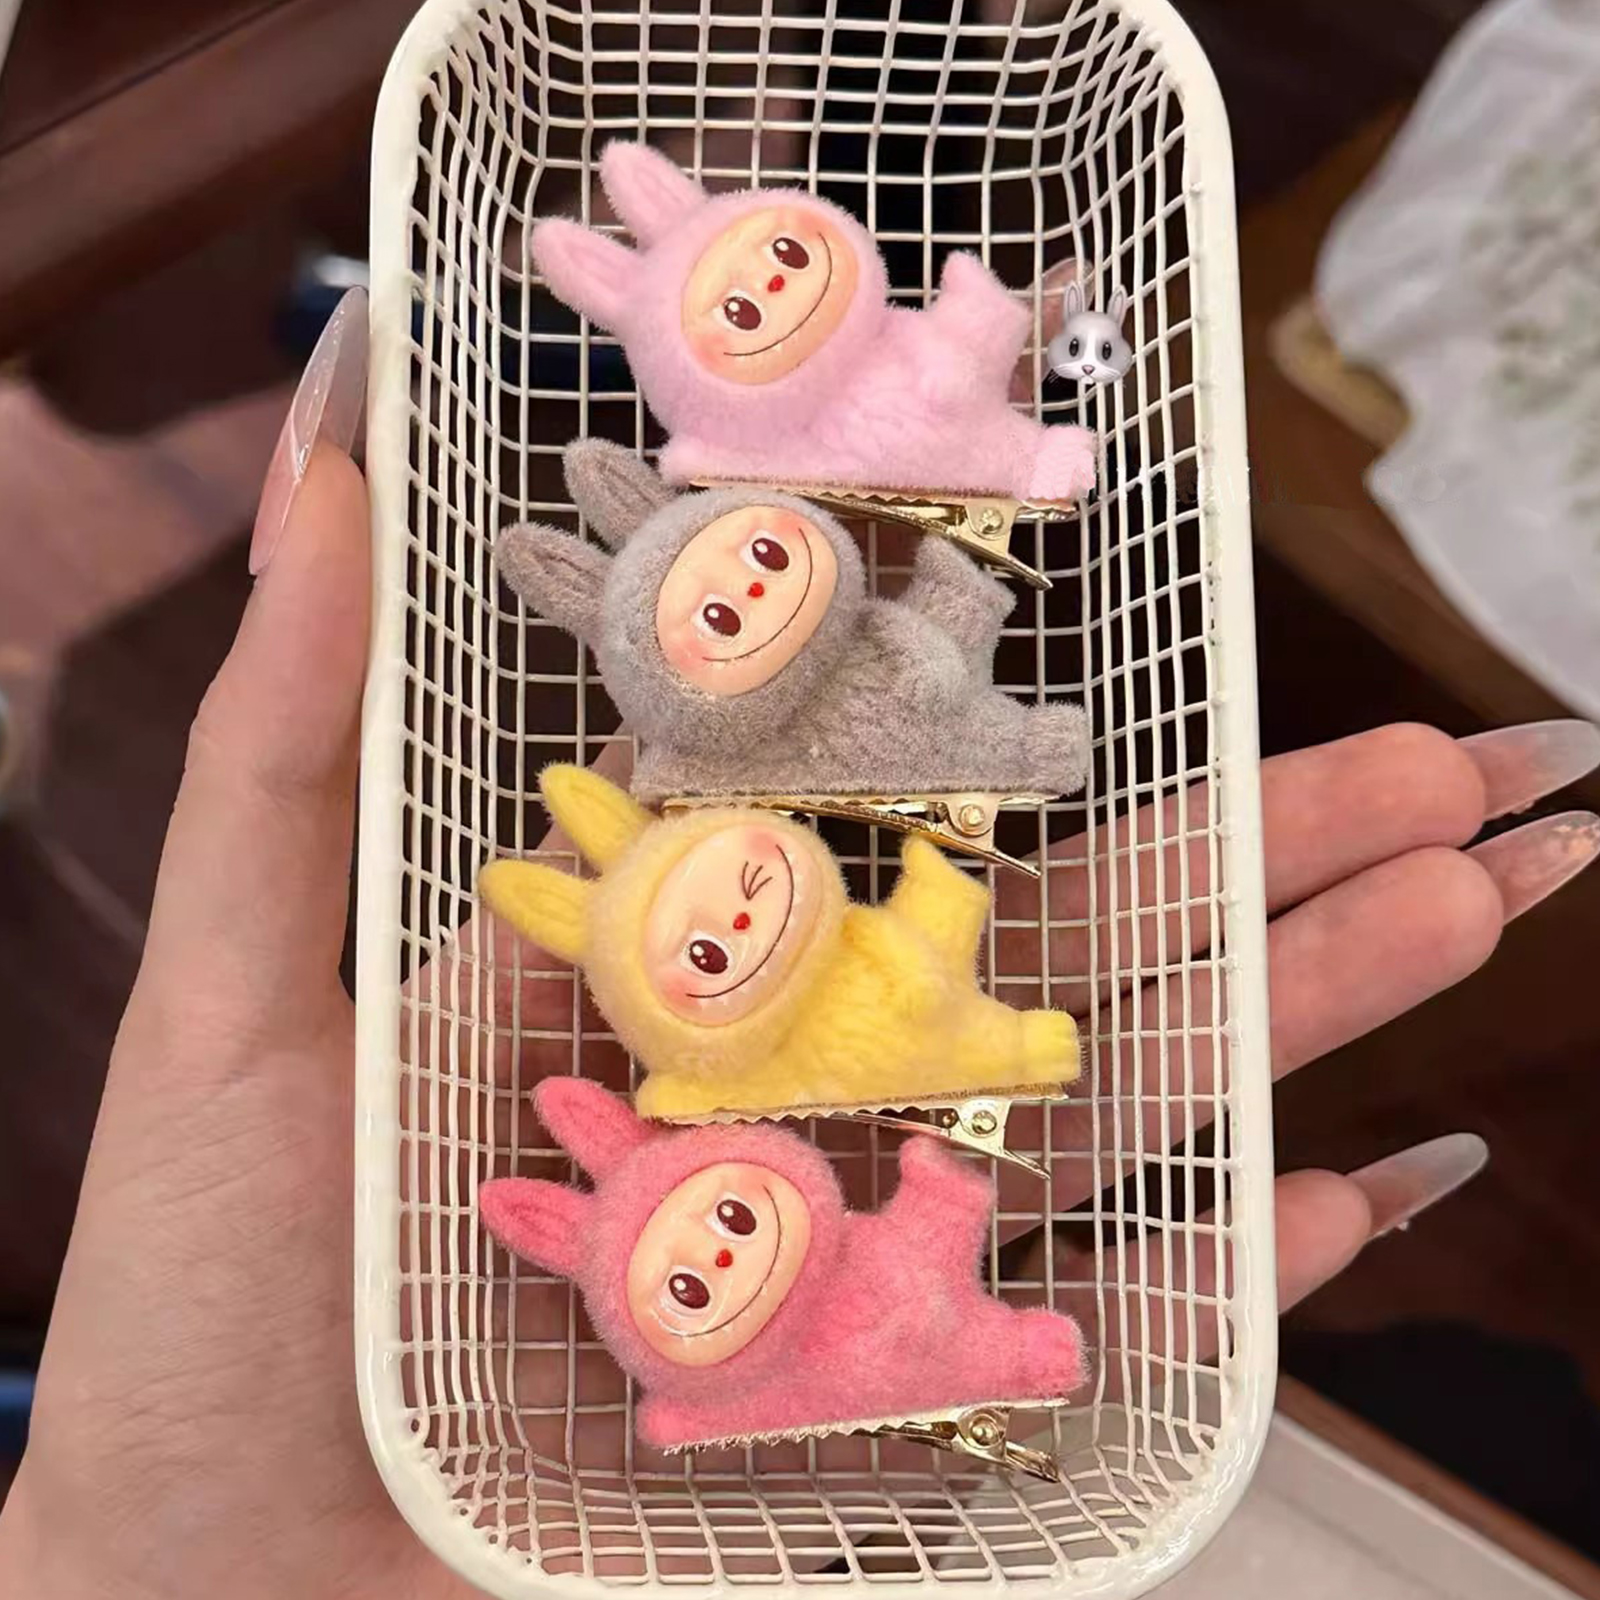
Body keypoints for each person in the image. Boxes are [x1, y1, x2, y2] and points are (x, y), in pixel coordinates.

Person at [0, 289, 1596, 1597]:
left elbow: (913, 1131)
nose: (717, 1261)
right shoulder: (725, 1120)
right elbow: (905, 1212)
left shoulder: (764, 966)